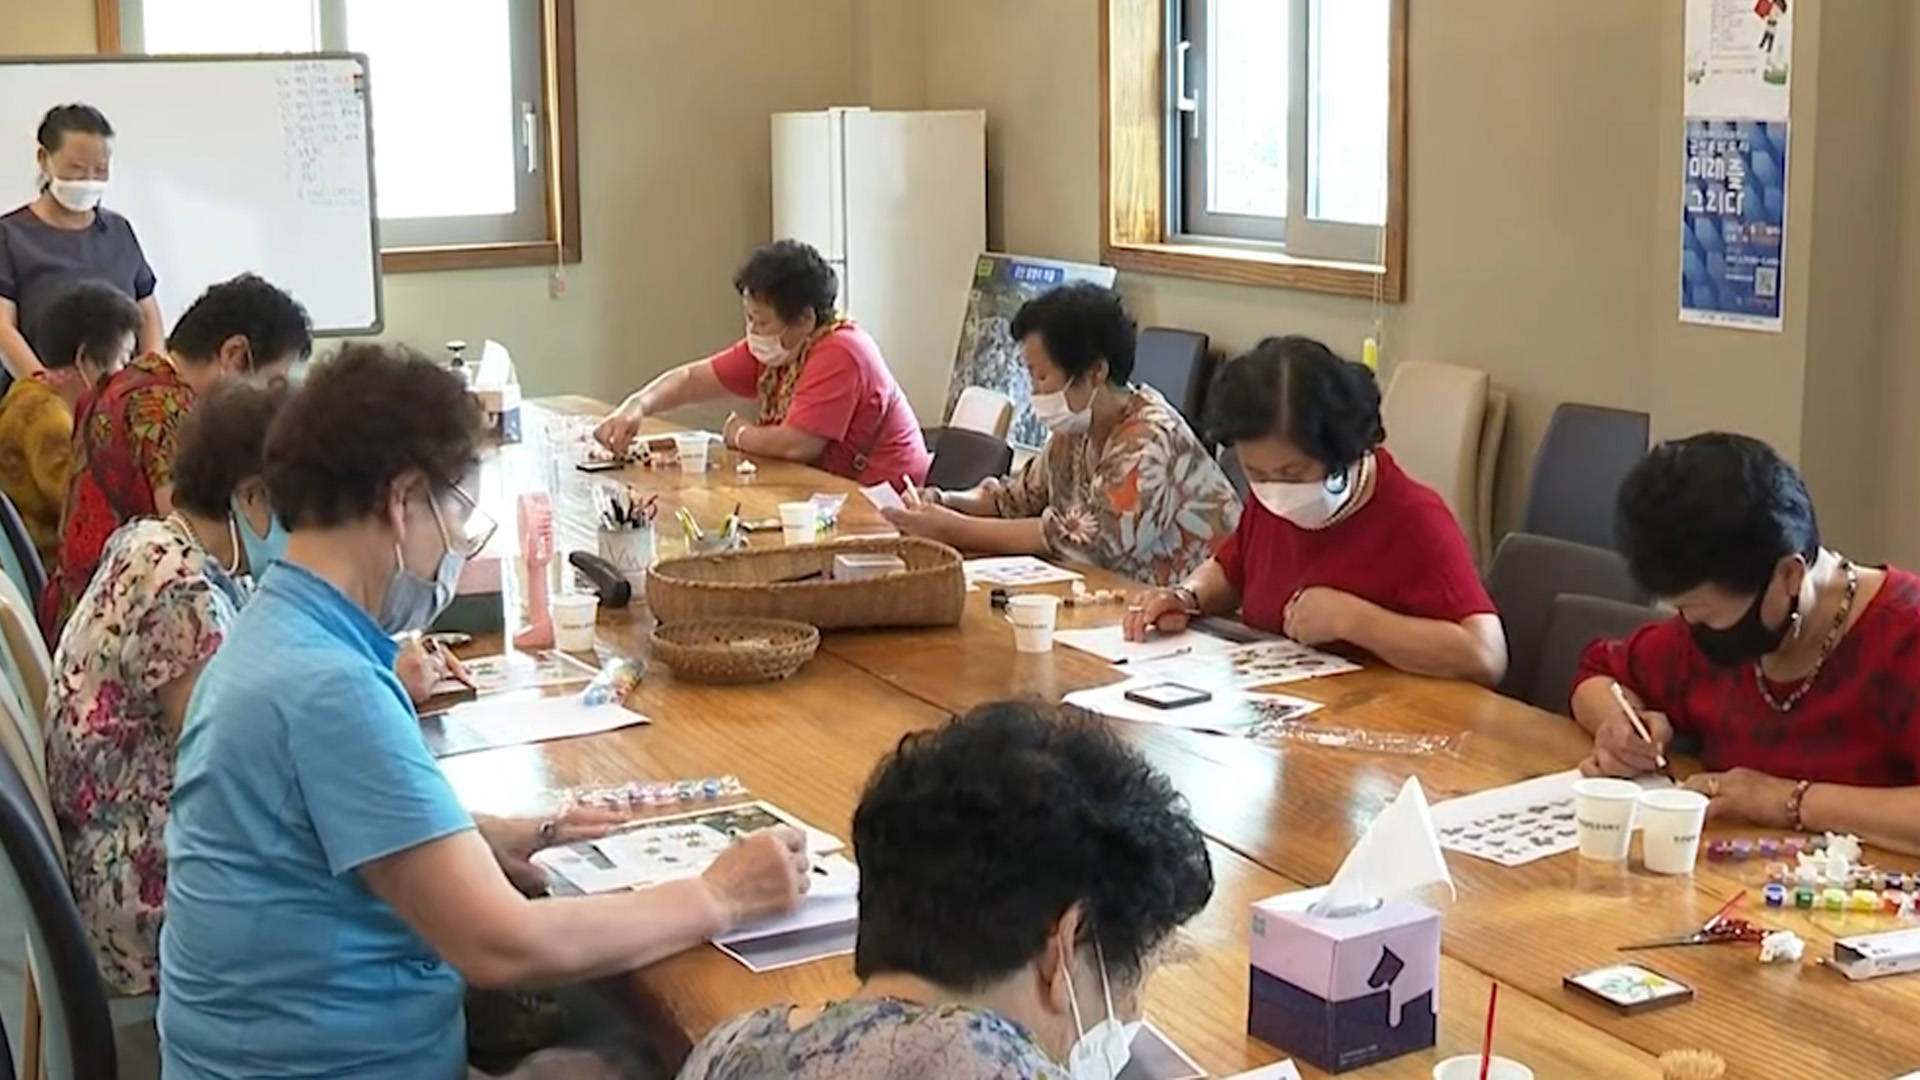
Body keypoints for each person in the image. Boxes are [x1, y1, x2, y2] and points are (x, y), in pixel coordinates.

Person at [160, 344, 809, 1080]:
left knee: (597, 1050)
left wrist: (470, 837)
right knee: (663, 1059)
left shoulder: (277, 630)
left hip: (297, 1052)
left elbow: (320, 834)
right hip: (336, 1065)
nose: (457, 549)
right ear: (401, 501)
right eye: (459, 517)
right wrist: (718, 894)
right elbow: (500, 945)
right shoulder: (328, 686)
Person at [679, 701, 1215, 1080]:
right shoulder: (997, 1068)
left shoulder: (729, 1048)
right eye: (1133, 981)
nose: (1129, 1014)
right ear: (1065, 944)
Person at [46, 380, 288, 998]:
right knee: (373, 895)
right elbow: (225, 762)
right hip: (149, 897)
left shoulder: (155, 541)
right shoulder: (178, 585)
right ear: (252, 496)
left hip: (122, 855)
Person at [1573, 433, 1920, 854]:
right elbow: (1600, 675)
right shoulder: (1704, 635)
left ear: (1790, 576)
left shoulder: (1903, 637)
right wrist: (1621, 726)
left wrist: (1787, 801)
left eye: (1702, 610)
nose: (1689, 625)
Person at [1122, 336, 1506, 686]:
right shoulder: (1272, 498)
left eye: (1293, 472)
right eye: (1256, 473)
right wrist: (1188, 596)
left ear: (1341, 451)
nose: (1276, 490)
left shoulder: (1413, 518)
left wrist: (1356, 621)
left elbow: (1486, 656)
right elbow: (1233, 569)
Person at [882, 284, 1239, 586]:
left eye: (1041, 377)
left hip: (1204, 623)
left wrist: (953, 529)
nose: (1033, 391)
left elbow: (1081, 539)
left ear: (1096, 371)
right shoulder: (1075, 430)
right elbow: (1013, 499)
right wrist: (945, 502)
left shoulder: (1150, 439)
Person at [40, 272, 311, 640]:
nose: (271, 410)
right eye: (272, 385)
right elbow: (198, 544)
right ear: (235, 356)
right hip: (128, 622)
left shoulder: (128, 382)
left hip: (86, 609)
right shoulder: (165, 409)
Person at [594, 240, 930, 486]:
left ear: (804, 319)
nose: (753, 331)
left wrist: (737, 433)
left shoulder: (841, 350)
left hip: (885, 500)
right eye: (749, 318)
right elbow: (690, 380)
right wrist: (635, 406)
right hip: (828, 489)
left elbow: (798, 444)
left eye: (761, 321)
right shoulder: (782, 348)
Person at [0, 104, 164, 386]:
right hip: (44, 407)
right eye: (76, 169)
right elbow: (3, 328)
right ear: (44, 159)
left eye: (100, 170)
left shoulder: (118, 231)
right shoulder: (10, 235)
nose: (89, 180)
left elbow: (148, 313)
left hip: (120, 401)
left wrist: (147, 379)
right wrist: (49, 389)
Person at [0, 280, 141, 565]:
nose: (126, 375)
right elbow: (86, 510)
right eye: (123, 360)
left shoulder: (33, 391)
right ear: (85, 358)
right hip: (53, 574)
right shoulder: (44, 417)